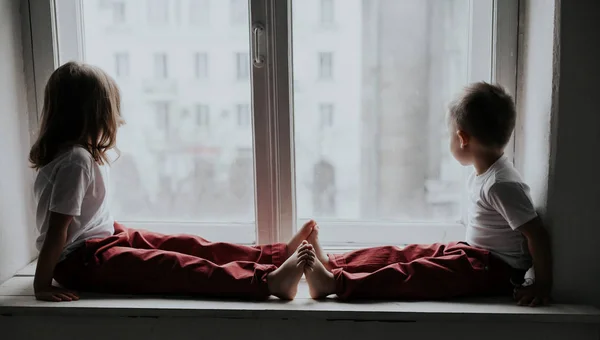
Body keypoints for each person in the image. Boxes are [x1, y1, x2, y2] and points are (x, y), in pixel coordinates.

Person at [30, 61, 314, 302]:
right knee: (174, 266)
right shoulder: (75, 161)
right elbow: (57, 231)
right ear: (93, 116)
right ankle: (267, 281)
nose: (116, 120)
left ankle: (275, 256)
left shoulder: (70, 156)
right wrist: (42, 285)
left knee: (186, 244)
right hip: (81, 261)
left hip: (102, 239)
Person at [300, 82, 553, 307]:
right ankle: (334, 263)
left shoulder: (500, 184)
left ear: (462, 138)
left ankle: (334, 284)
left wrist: (541, 285)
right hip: (475, 257)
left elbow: (537, 234)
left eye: (449, 135)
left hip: (494, 271)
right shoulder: (486, 174)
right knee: (407, 253)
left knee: (413, 273)